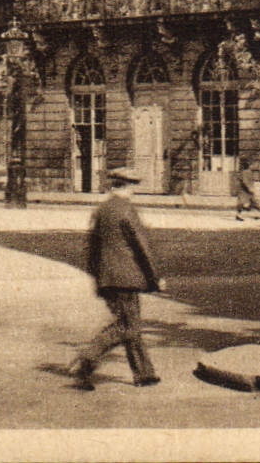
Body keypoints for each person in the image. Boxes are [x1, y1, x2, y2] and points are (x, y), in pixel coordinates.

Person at [70, 167, 162, 390]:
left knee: (131, 324)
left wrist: (97, 277)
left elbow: (91, 247)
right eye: (133, 187)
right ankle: (86, 360)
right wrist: (155, 277)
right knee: (126, 326)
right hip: (126, 277)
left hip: (107, 277)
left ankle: (144, 373)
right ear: (127, 186)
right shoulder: (127, 210)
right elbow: (142, 246)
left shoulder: (102, 210)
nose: (134, 192)